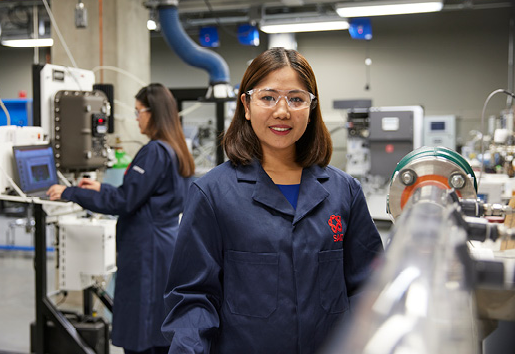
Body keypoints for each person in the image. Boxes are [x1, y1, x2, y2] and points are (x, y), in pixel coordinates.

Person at [161, 48, 383, 353]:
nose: (282, 111)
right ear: (247, 105)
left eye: (296, 98)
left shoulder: (344, 192)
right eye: (268, 97)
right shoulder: (212, 194)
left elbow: (367, 287)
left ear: (311, 107)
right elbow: (193, 298)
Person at [47, 83, 195, 354]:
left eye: (138, 112)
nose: (136, 118)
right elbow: (142, 195)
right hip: (163, 245)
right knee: (157, 324)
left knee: (142, 330)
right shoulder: (177, 149)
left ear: (153, 113)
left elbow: (123, 202)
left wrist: (69, 191)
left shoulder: (154, 151)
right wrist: (100, 188)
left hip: (145, 251)